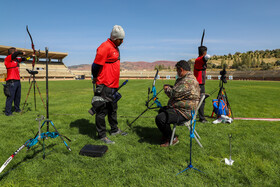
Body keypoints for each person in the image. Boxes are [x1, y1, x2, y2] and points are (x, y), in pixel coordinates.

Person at [91, 25, 125, 144]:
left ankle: (114, 130)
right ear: (115, 38)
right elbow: (95, 65)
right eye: (121, 39)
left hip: (113, 86)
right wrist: (95, 77)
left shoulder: (115, 47)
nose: (122, 41)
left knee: (113, 109)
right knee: (101, 110)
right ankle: (102, 136)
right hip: (104, 85)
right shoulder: (105, 47)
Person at [155, 60, 200, 147]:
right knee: (162, 110)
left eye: (177, 70)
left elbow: (173, 94)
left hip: (184, 112)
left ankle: (172, 138)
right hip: (182, 109)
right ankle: (167, 134)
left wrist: (166, 88)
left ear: (181, 70)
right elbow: (179, 90)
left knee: (160, 118)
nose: (177, 73)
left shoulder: (187, 81)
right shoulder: (187, 78)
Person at [4, 47, 26, 116]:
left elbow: (23, 59)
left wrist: (31, 56)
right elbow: (16, 54)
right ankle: (8, 112)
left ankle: (17, 109)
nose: (17, 52)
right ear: (13, 52)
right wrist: (21, 52)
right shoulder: (8, 58)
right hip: (11, 81)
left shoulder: (16, 60)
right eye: (16, 51)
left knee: (17, 96)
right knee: (10, 97)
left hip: (17, 80)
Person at [194, 46, 210, 123]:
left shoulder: (199, 60)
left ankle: (198, 116)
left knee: (200, 100)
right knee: (201, 101)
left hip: (200, 83)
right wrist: (203, 54)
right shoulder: (199, 60)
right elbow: (207, 57)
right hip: (199, 84)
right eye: (205, 51)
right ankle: (201, 118)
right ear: (204, 53)